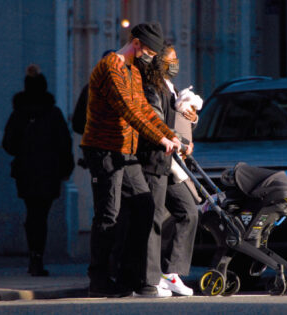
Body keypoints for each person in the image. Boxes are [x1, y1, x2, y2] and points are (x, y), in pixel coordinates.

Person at [80, 22, 181, 298]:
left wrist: (171, 136)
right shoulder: (110, 66)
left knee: (144, 205)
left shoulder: (134, 72)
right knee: (108, 214)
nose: (150, 55)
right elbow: (127, 109)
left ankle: (130, 276)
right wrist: (161, 140)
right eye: (147, 50)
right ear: (135, 43)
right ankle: (99, 279)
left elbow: (144, 111)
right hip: (104, 149)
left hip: (126, 151)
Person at [136, 43, 202, 296]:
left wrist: (191, 120)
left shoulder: (170, 87)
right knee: (154, 219)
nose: (176, 64)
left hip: (173, 162)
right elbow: (157, 122)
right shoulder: (152, 87)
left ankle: (171, 271)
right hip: (157, 160)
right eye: (172, 59)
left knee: (188, 211)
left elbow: (175, 119)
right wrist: (180, 141)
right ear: (161, 62)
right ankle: (149, 277)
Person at [2, 64, 75, 277]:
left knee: (32, 213)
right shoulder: (53, 113)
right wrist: (65, 168)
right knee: (40, 215)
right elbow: (64, 143)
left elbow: (8, 144)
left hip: (25, 172)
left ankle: (33, 256)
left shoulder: (18, 113)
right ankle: (37, 257)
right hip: (48, 173)